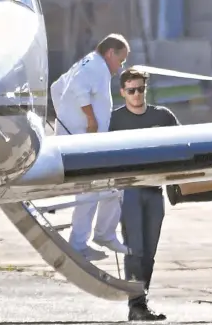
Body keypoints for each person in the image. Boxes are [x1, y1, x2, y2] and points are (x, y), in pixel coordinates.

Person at [109, 67, 181, 321]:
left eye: (141, 89)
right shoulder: (114, 120)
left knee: (149, 252)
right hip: (128, 192)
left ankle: (142, 300)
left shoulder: (163, 116)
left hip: (154, 191)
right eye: (132, 90)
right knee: (135, 249)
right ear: (122, 92)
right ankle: (136, 304)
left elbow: (182, 146)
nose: (137, 95)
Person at [50, 33, 130, 261]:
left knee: (104, 188)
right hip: (84, 141)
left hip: (78, 139)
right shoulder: (96, 67)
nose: (120, 67)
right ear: (110, 53)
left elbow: (57, 87)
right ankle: (88, 240)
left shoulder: (86, 63)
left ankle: (94, 237)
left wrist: (63, 120)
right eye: (120, 60)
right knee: (102, 187)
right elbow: (76, 88)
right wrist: (90, 120)